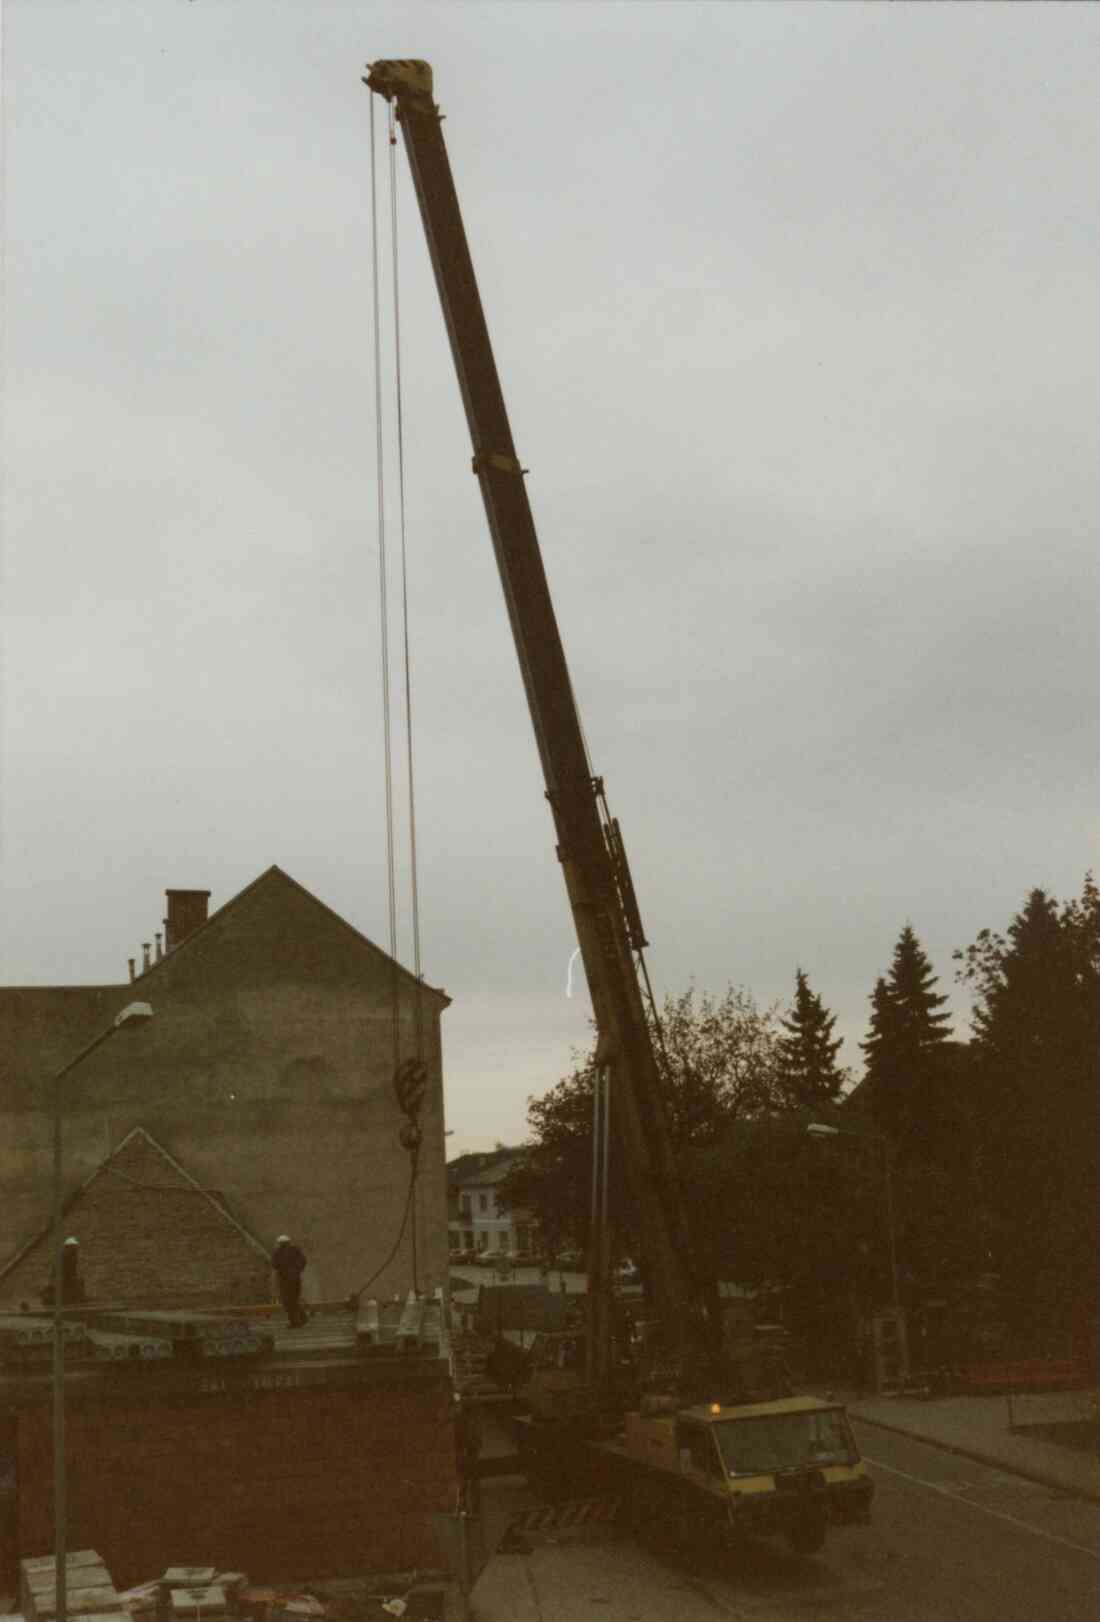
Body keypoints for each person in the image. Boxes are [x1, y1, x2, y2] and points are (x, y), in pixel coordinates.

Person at [272, 1234, 309, 1327]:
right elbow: (303, 1261)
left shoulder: (278, 1252)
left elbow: (274, 1264)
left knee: (288, 1301)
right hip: (296, 1280)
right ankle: (302, 1318)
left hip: (285, 1281)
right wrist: (297, 1270)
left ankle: (295, 1322)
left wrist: (284, 1271)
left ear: (280, 1243)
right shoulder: (296, 1250)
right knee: (294, 1300)